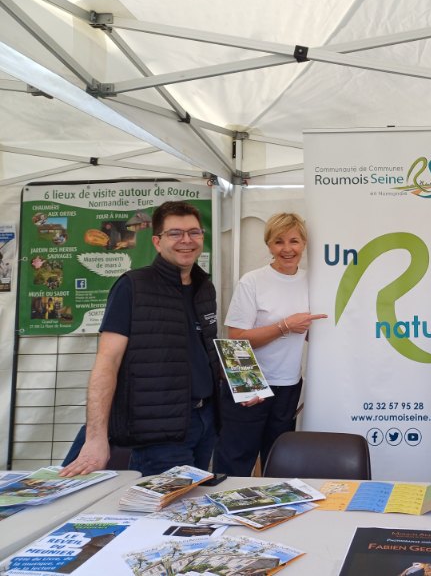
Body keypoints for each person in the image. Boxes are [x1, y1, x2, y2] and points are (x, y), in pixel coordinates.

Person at [60, 201, 219, 477]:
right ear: (157, 242)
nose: (186, 240)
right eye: (175, 233)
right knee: (161, 511)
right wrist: (96, 438)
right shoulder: (133, 286)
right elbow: (107, 362)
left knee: (189, 509)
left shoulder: (205, 288)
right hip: (160, 432)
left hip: (204, 422)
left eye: (194, 232)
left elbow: (201, 355)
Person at [213, 213, 326, 476]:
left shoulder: (314, 281)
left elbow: (313, 332)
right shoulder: (252, 281)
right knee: (236, 462)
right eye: (279, 242)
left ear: (305, 243)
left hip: (288, 384)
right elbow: (237, 337)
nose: (287, 249)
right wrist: (284, 326)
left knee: (279, 463)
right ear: (269, 245)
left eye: (294, 241)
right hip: (250, 385)